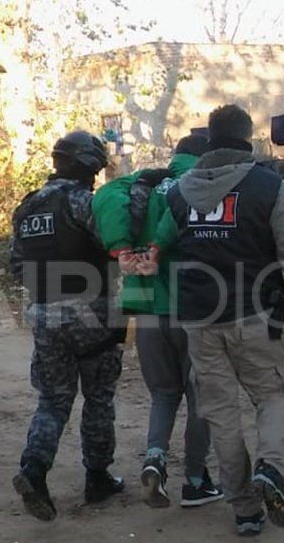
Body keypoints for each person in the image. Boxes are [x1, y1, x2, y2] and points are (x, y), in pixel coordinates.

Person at [151, 105, 284, 537]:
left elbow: (160, 250)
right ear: (248, 139)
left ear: (210, 140)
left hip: (198, 321)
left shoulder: (178, 192)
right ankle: (270, 469)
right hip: (254, 315)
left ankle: (246, 510)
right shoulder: (266, 187)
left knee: (221, 413)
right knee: (275, 394)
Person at [92, 134, 224, 509]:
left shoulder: (143, 184)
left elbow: (104, 196)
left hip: (147, 306)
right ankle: (197, 480)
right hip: (194, 309)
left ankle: (155, 459)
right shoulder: (202, 184)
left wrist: (119, 248)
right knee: (201, 398)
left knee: (164, 393)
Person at [9, 130, 126, 521]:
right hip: (92, 313)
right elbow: (115, 244)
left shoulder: (26, 209)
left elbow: (16, 265)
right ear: (88, 165)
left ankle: (34, 470)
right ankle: (97, 477)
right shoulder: (83, 203)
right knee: (98, 396)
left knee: (53, 400)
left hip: (44, 314)